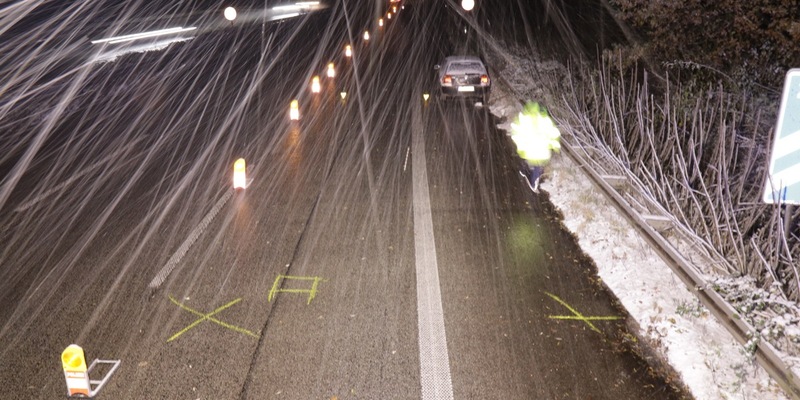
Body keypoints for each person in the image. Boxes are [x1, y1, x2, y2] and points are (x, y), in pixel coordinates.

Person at [509, 102, 561, 193]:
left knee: (525, 156)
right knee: (539, 163)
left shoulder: (523, 118)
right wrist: (555, 145)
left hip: (528, 151)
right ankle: (535, 177)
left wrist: (519, 144)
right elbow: (554, 132)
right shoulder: (545, 119)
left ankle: (524, 169)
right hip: (543, 151)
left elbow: (515, 132)